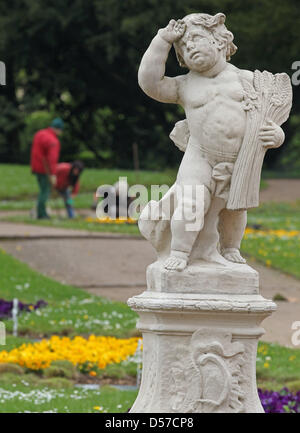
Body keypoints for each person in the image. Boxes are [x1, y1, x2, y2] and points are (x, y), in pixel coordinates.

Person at [138, 13, 286, 271]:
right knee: (192, 202)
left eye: (196, 38)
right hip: (200, 157)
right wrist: (163, 40)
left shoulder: (248, 80)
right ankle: (181, 252)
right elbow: (150, 83)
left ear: (219, 41)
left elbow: (270, 118)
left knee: (235, 209)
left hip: (240, 161)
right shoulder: (184, 86)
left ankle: (230, 249)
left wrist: (277, 136)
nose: (190, 46)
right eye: (183, 46)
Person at [30, 118, 64, 219]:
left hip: (36, 166)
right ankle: (41, 214)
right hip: (45, 169)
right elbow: (52, 159)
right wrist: (53, 174)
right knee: (45, 191)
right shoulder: (53, 140)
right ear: (58, 129)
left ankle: (41, 211)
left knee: (42, 190)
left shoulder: (39, 133)